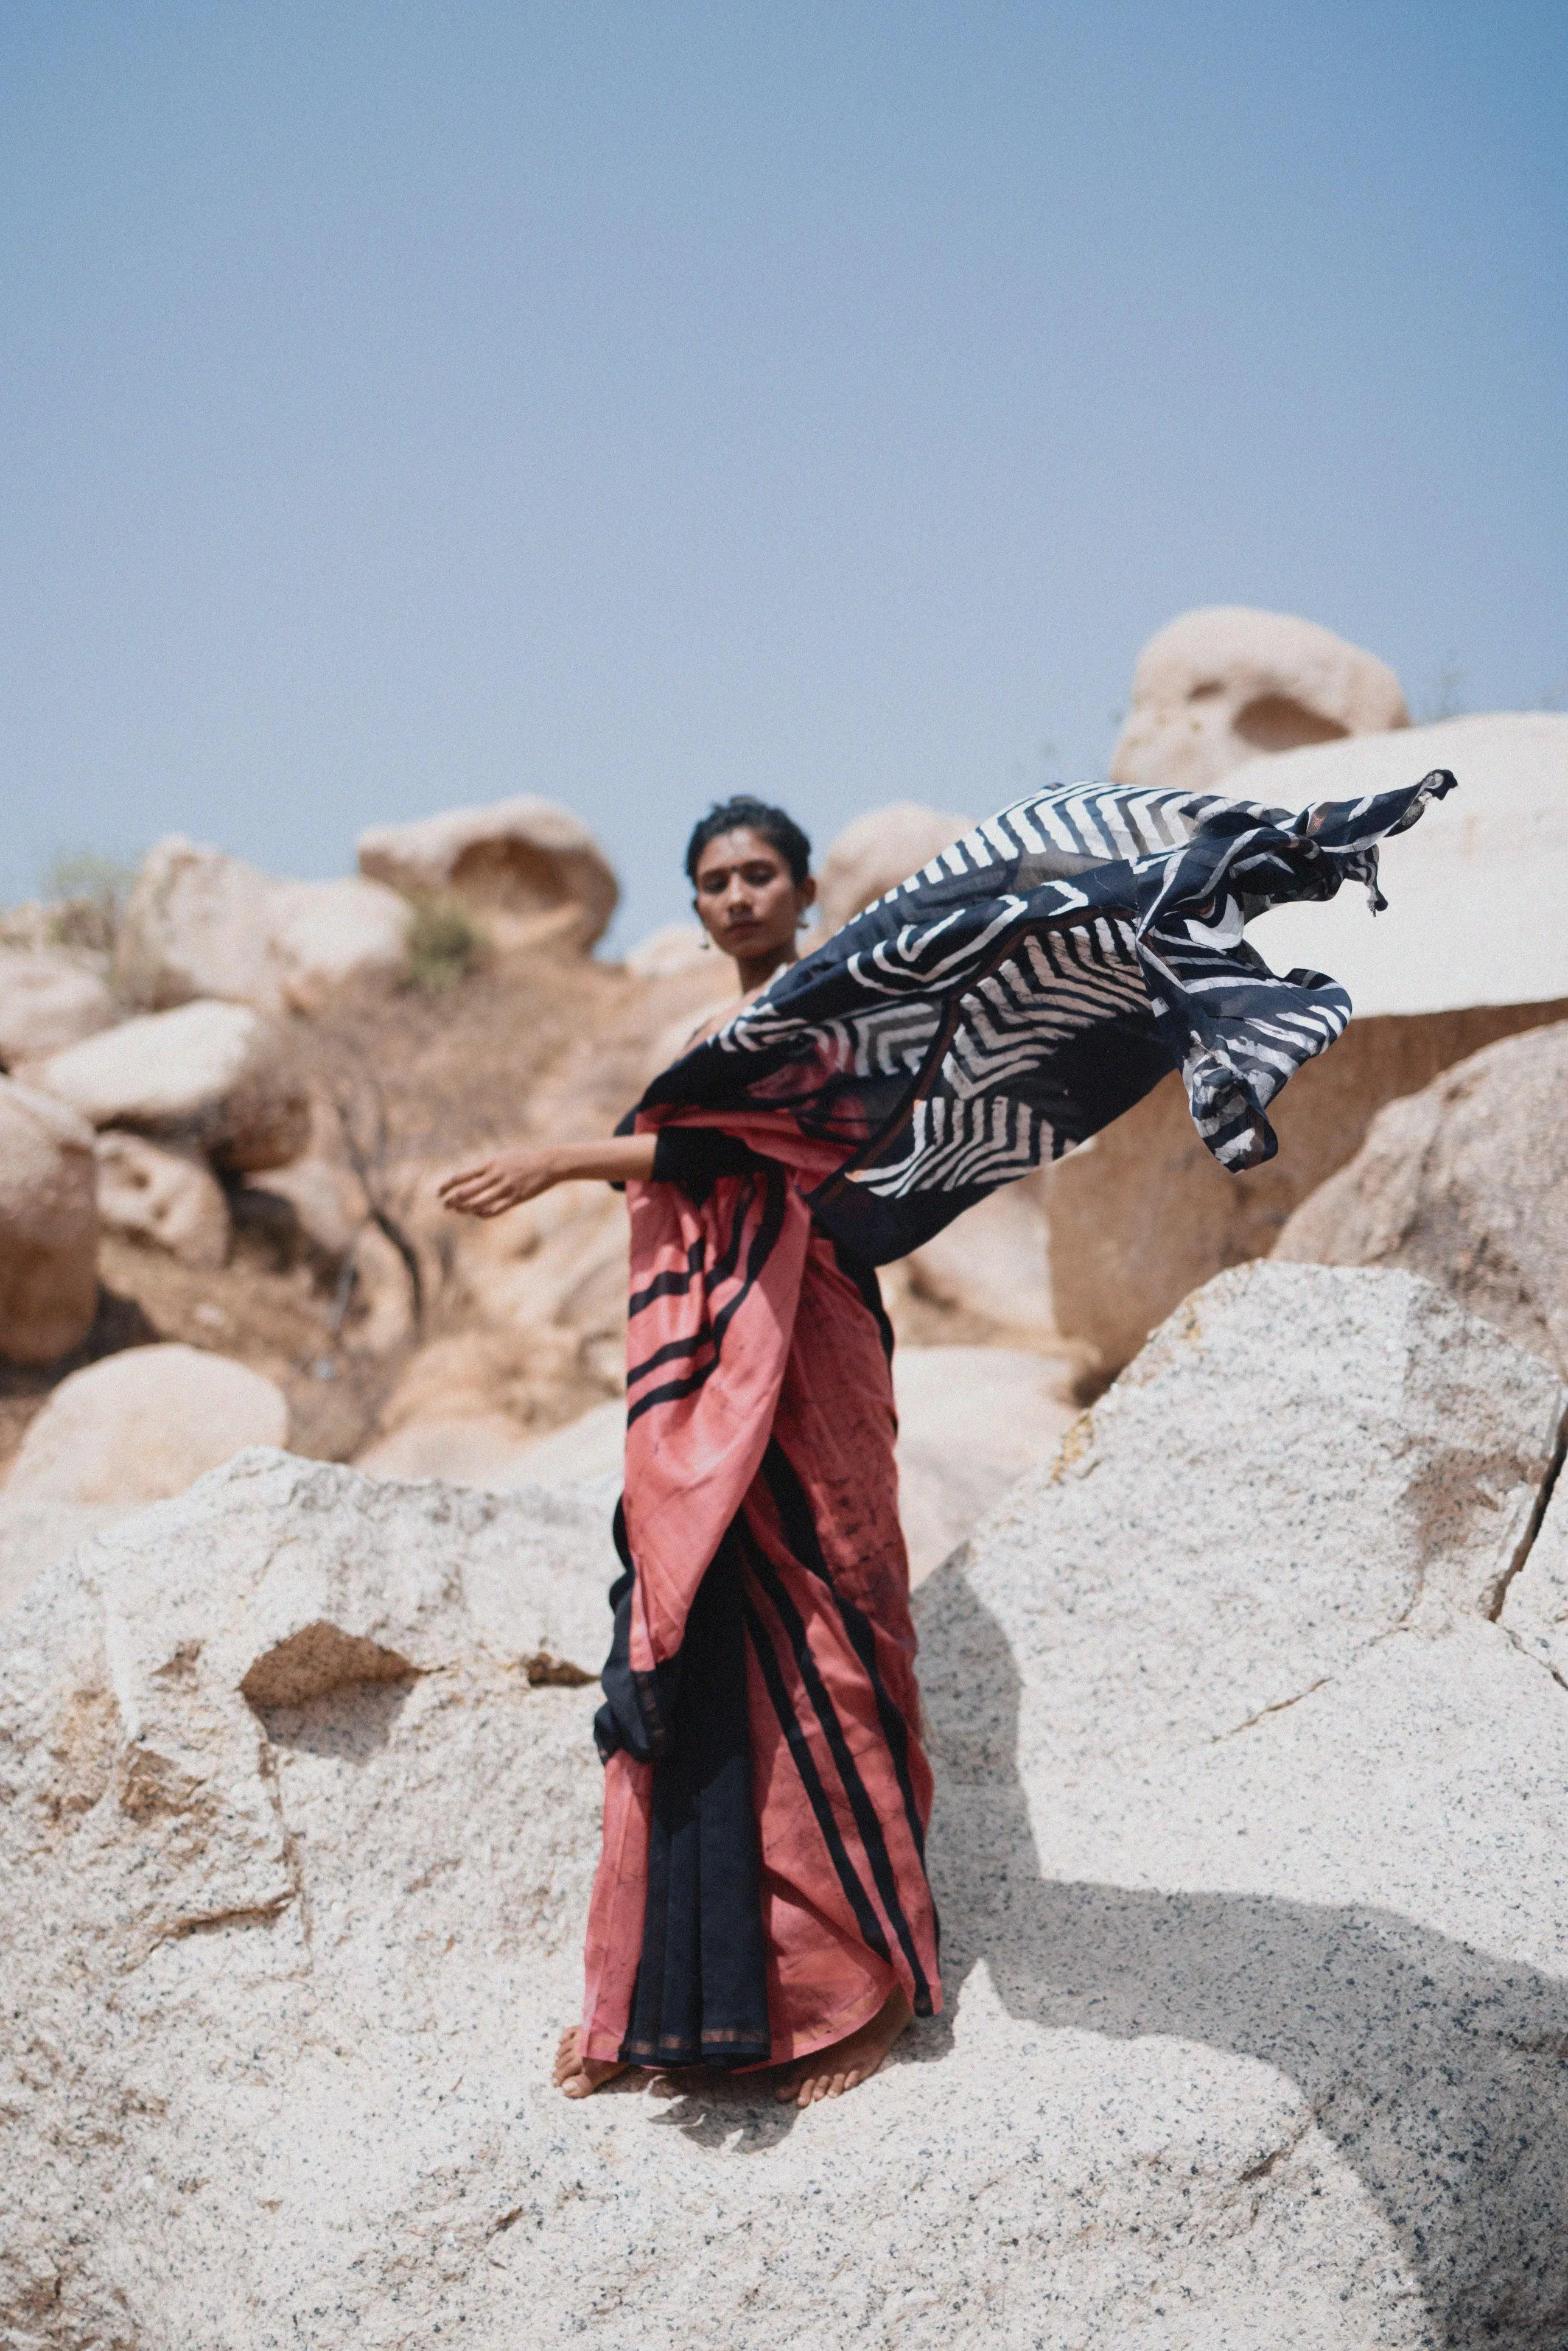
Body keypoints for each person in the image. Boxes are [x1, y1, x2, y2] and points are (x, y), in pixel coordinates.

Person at [440, 763, 1458, 2111]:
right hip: (710, 1362)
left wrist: (569, 1157)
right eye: (716, 882)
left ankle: (859, 1984)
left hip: (818, 1345)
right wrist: (611, 1148)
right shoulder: (713, 1030)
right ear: (695, 908)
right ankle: (653, 1999)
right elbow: (708, 1158)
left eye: (760, 874)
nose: (739, 894)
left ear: (804, 892)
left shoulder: (856, 1003)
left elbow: (765, 1150)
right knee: (689, 1636)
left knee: (834, 1632)